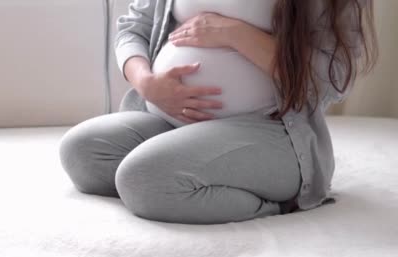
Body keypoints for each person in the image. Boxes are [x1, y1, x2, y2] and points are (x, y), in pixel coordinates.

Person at [58, 0, 378, 224]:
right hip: (171, 122)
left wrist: (234, 33)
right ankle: (184, 162)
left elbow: (333, 77)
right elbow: (133, 28)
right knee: (81, 153)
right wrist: (147, 83)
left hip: (269, 128)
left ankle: (283, 201)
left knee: (142, 181)